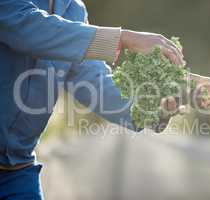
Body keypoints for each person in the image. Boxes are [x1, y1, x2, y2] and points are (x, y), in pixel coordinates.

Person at [0, 0, 184, 199]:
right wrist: (122, 39)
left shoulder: (73, 9)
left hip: (19, 169)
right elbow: (26, 27)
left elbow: (96, 82)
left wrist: (152, 109)